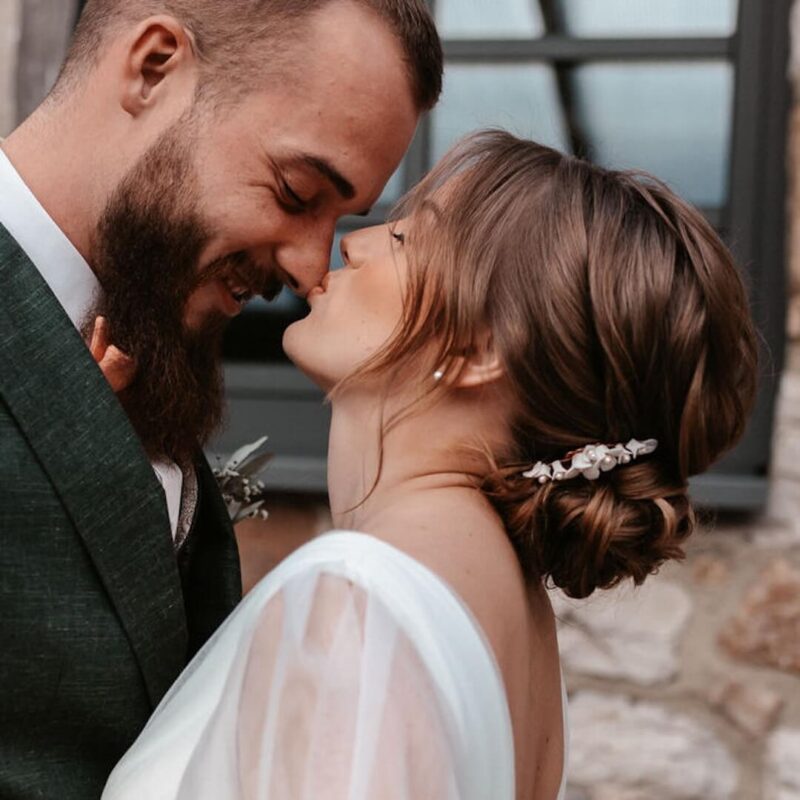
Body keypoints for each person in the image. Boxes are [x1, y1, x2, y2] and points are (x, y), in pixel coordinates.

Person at [100, 131, 758, 799]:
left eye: (409, 240)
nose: (352, 242)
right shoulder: (515, 634)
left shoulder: (358, 599)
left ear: (478, 352)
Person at [0, 1, 442, 796]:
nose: (312, 271)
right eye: (297, 191)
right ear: (154, 67)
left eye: (346, 220)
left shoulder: (151, 339)